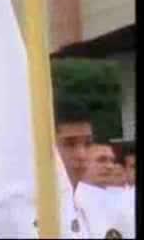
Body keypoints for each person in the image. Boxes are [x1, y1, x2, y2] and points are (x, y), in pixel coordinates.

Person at [54, 94, 133, 238]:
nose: (82, 155)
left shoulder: (99, 208)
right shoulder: (18, 210)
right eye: (69, 144)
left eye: (88, 144)